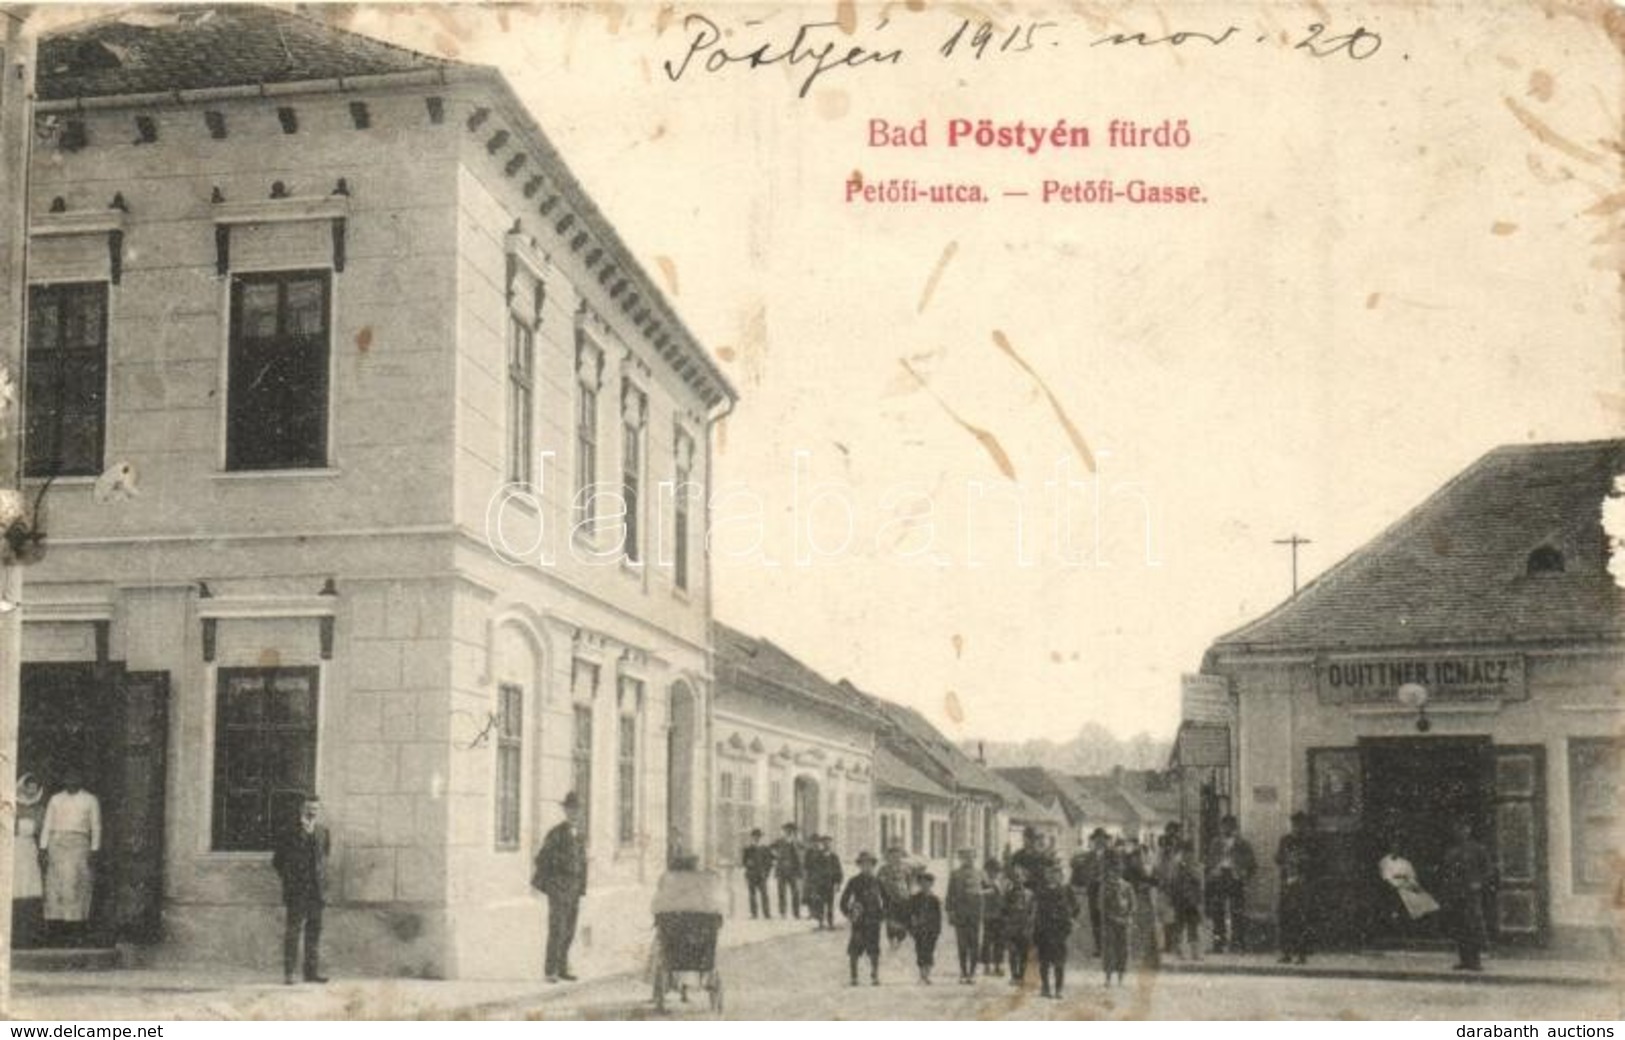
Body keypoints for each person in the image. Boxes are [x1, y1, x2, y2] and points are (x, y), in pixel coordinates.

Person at [271, 795, 331, 984]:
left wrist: (321, 884)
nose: (312, 812)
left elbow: (323, 859)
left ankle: (310, 973)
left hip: (316, 891)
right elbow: (278, 861)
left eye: (315, 808)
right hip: (297, 891)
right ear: (301, 809)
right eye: (308, 808)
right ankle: (289, 974)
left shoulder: (323, 831)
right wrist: (291, 881)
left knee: (314, 931)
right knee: (293, 931)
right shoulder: (288, 831)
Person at [39, 770, 100, 947]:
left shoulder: (90, 799)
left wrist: (94, 849)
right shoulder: (56, 799)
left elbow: (96, 825)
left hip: (79, 842)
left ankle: (75, 929)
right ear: (63, 779)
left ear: (81, 779)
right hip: (56, 843)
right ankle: (55, 930)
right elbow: (48, 824)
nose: (71, 780)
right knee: (55, 885)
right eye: (68, 777)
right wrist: (43, 847)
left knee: (75, 884)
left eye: (75, 777)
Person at [533, 791, 588, 982]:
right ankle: (550, 971)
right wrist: (556, 879)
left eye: (577, 810)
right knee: (557, 928)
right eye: (570, 809)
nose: (574, 813)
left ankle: (563, 967)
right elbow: (541, 859)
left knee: (570, 929)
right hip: (559, 887)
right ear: (565, 811)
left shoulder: (580, 834)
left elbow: (583, 863)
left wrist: (581, 888)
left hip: (573, 888)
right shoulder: (556, 833)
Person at [1439, 820, 1495, 971]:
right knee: (1459, 926)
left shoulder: (1478, 849)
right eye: (1457, 829)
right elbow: (1446, 873)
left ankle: (1475, 961)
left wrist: (1479, 882)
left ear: (1469, 830)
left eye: (1463, 829)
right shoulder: (1451, 851)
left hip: (1471, 894)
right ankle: (1464, 959)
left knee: (1473, 925)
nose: (1460, 832)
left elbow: (1489, 870)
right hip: (1455, 893)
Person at [1205, 814, 1255, 953]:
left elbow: (1251, 863)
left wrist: (1243, 874)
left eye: (1229, 826)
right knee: (1217, 912)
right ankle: (1218, 943)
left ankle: (1237, 943)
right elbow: (1209, 861)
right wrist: (1213, 871)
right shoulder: (1216, 843)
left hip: (1235, 878)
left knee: (1237, 912)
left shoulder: (1242, 844)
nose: (1226, 829)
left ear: (1234, 828)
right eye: (1224, 826)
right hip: (1220, 877)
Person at [840, 850, 887, 986]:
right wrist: (849, 913)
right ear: (859, 866)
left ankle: (874, 976)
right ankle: (854, 977)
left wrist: (882, 915)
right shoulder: (854, 881)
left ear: (873, 865)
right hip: (859, 921)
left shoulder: (878, 881)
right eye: (863, 864)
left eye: (869, 864)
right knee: (854, 950)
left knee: (874, 950)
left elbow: (887, 900)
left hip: (873, 920)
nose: (866, 867)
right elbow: (843, 901)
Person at [1032, 863, 1079, 999]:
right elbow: (1036, 909)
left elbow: (1076, 906)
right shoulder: (1041, 890)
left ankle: (1059, 989)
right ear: (1047, 875)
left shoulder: (1066, 890)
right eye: (1051, 873)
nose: (1053, 876)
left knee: (1059, 961)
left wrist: (1070, 919)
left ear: (1061, 875)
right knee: (1044, 961)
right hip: (1044, 929)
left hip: (1059, 930)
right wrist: (1036, 927)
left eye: (1057, 873)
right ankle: (1045, 987)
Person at [1275, 811, 1316, 964]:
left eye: (1301, 824)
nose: (1298, 828)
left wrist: (1304, 861)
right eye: (1295, 824)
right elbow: (1278, 858)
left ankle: (1301, 953)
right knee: (1285, 917)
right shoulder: (1285, 840)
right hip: (1288, 883)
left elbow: (1318, 862)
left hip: (1304, 884)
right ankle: (1286, 952)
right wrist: (1287, 861)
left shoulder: (1311, 841)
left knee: (1302, 919)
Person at [12, 774, 44, 949]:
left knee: (30, 888)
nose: (31, 790)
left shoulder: (40, 809)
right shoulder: (12, 805)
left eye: (35, 787)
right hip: (15, 848)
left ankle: (30, 935)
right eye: (28, 786)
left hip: (30, 850)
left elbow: (41, 829)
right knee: (16, 888)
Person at [1378, 842, 1440, 924]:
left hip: (1407, 883)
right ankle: (1411, 917)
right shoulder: (1385, 861)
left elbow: (1411, 875)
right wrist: (1398, 882)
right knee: (1407, 895)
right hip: (1394, 884)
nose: (1396, 850)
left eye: (1397, 848)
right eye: (1393, 848)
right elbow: (1386, 877)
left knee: (1420, 894)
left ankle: (1424, 916)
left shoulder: (1405, 862)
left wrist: (1412, 884)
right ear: (1390, 849)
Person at [945, 848, 982, 983]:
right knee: (962, 944)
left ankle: (972, 972)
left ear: (974, 857)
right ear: (961, 858)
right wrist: (950, 911)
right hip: (960, 913)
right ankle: (963, 972)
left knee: (974, 944)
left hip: (975, 913)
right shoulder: (955, 874)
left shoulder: (979, 873)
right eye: (965, 857)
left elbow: (985, 892)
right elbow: (950, 894)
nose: (968, 859)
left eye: (971, 856)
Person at [1072, 828, 1110, 957]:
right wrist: (1089, 879)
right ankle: (1099, 947)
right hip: (1093, 890)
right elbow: (1082, 870)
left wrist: (1105, 878)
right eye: (1097, 839)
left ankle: (1109, 947)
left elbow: (1118, 870)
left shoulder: (1112, 855)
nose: (1100, 841)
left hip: (1108, 890)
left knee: (1108, 918)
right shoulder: (1089, 856)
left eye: (1102, 838)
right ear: (1094, 840)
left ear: (1105, 840)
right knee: (1096, 919)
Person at [1100, 854, 1134, 986]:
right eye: (1112, 871)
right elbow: (1102, 906)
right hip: (1110, 923)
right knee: (1109, 950)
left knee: (1123, 949)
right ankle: (1108, 977)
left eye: (1117, 871)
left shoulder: (1127, 886)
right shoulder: (1105, 887)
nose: (1114, 874)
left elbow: (1132, 904)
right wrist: (1113, 917)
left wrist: (1127, 917)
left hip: (1124, 922)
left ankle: (1121, 977)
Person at [1169, 841, 1204, 960]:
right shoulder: (1176, 865)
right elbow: (1173, 882)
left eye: (1189, 852)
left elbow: (1199, 882)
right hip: (1181, 899)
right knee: (1180, 925)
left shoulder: (1195, 864)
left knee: (1192, 926)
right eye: (1185, 852)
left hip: (1191, 900)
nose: (1187, 855)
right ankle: (1179, 951)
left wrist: (1199, 900)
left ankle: (1194, 952)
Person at [1002, 864, 1036, 984]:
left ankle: (1021, 976)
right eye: (1015, 877)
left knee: (1023, 953)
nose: (1018, 879)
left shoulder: (1030, 894)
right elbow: (1003, 911)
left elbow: (1032, 911)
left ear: (1024, 879)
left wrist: (1030, 926)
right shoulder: (1008, 894)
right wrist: (1007, 925)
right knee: (1012, 952)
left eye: (1020, 876)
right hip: (1012, 926)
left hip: (1024, 927)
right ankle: (1013, 975)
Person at [907, 871, 943, 984]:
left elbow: (938, 916)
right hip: (919, 929)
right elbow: (910, 914)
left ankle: (927, 975)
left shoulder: (935, 899)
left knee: (930, 951)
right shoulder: (914, 898)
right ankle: (921, 974)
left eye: (927, 883)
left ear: (931, 884)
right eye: (922, 883)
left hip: (931, 929)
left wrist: (937, 930)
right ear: (919, 884)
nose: (925, 885)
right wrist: (912, 928)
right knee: (920, 950)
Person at [877, 844, 915, 950]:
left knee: (902, 919)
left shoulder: (906, 867)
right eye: (892, 855)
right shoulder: (883, 869)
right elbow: (879, 883)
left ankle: (899, 940)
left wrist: (909, 893)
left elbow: (909, 881)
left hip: (903, 898)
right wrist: (881, 896)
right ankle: (891, 939)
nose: (895, 858)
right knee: (890, 920)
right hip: (888, 898)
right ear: (888, 857)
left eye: (897, 855)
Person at [805, 834, 843, 930]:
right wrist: (815, 883)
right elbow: (814, 870)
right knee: (820, 904)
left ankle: (830, 923)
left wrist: (838, 883)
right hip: (820, 884)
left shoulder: (834, 857)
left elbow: (838, 870)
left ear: (831, 844)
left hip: (830, 884)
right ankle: (821, 923)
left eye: (828, 843)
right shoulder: (818, 856)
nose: (826, 845)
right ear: (822, 844)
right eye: (824, 843)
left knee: (830, 904)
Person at [979, 858, 1007, 977]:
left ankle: (998, 965)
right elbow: (980, 893)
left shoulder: (1002, 882)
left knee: (1000, 941)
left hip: (1000, 915)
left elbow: (1004, 895)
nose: (993, 873)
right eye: (991, 870)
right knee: (987, 941)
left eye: (996, 871)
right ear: (987, 871)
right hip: (988, 915)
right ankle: (986, 966)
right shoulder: (984, 882)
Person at [741, 827, 775, 920]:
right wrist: (748, 864)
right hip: (751, 875)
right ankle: (754, 914)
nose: (756, 838)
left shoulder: (765, 848)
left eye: (758, 836)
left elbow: (769, 862)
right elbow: (743, 862)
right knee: (752, 895)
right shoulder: (747, 849)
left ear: (760, 837)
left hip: (762, 875)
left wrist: (767, 873)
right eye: (754, 836)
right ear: (752, 837)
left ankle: (767, 913)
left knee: (764, 894)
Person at [772, 822, 804, 919]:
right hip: (781, 870)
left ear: (793, 832)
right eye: (787, 830)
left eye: (791, 830)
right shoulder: (779, 841)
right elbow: (771, 849)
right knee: (781, 892)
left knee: (796, 892)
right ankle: (783, 912)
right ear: (784, 831)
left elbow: (803, 852)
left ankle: (796, 913)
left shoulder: (797, 842)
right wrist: (776, 857)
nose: (789, 832)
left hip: (793, 871)